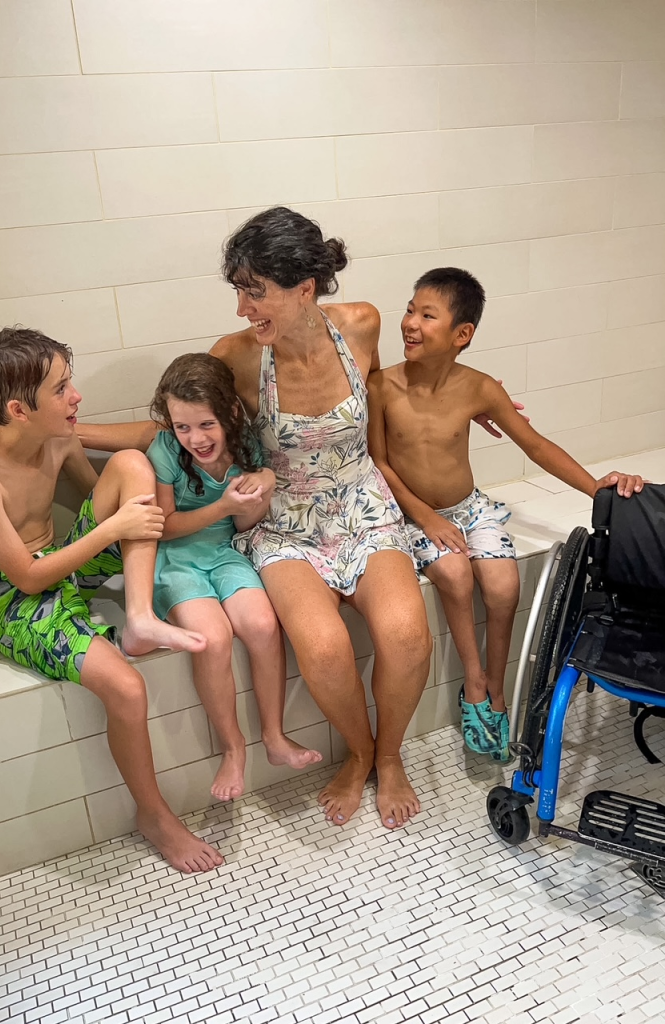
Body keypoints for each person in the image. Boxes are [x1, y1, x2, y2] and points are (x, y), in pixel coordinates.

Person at [0, 327, 224, 874]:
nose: (76, 397)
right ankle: (155, 816)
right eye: (62, 389)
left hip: (67, 570)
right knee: (125, 685)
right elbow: (25, 578)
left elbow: (144, 444)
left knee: (131, 465)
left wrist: (189, 424)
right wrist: (113, 529)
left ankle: (140, 616)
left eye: (70, 382)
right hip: (14, 604)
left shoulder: (58, 438)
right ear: (19, 409)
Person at [212, 206, 434, 831]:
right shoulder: (235, 357)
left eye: (254, 292)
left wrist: (473, 398)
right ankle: (359, 752)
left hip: (361, 503)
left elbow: (392, 397)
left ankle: (389, 758)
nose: (241, 309)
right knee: (326, 649)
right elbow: (178, 429)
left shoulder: (361, 325)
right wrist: (73, 439)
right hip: (284, 519)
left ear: (304, 289)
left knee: (407, 635)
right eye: (238, 290)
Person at [367, 268, 646, 761]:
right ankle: (475, 684)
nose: (410, 322)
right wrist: (427, 518)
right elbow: (380, 463)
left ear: (462, 334)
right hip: (412, 516)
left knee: (503, 586)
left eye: (426, 314)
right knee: (454, 574)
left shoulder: (478, 388)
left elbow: (535, 446)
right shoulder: (383, 387)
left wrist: (595, 488)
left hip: (470, 508)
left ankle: (497, 684)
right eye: (410, 309)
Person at [147, 353, 323, 801]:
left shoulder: (246, 445)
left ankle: (274, 735)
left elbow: (246, 524)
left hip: (226, 552)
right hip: (176, 559)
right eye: (182, 426)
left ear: (228, 413)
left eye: (205, 425)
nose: (194, 438)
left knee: (263, 625)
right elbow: (164, 525)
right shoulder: (166, 451)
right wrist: (223, 506)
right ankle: (233, 747)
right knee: (213, 638)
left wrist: (260, 486)